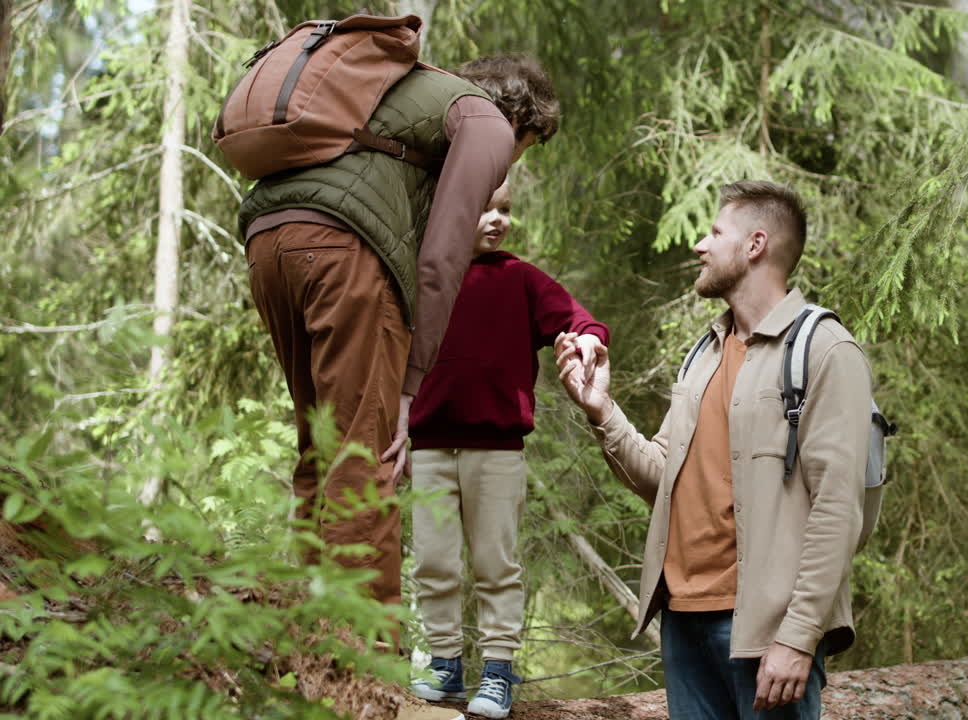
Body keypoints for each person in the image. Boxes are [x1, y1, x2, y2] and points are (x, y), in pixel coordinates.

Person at [240, 56, 559, 635]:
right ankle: (365, 665)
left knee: (323, 445)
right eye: (526, 147)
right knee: (367, 456)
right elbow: (442, 260)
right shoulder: (485, 121)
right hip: (341, 249)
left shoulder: (397, 96)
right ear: (518, 120)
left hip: (267, 241)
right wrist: (410, 388)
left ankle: (313, 643)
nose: (512, 162)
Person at [555, 181, 871, 719]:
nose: (700, 245)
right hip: (683, 622)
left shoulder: (824, 349)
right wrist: (602, 410)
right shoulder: (703, 355)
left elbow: (837, 509)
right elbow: (663, 475)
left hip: (766, 631)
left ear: (755, 245)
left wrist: (798, 636)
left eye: (715, 233)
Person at [405, 179, 609, 719]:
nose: (498, 219)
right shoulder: (424, 279)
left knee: (496, 564)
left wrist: (587, 337)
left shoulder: (520, 279)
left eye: (505, 209)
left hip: (496, 450)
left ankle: (497, 671)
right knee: (433, 562)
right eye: (485, 208)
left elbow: (576, 318)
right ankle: (445, 665)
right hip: (428, 448)